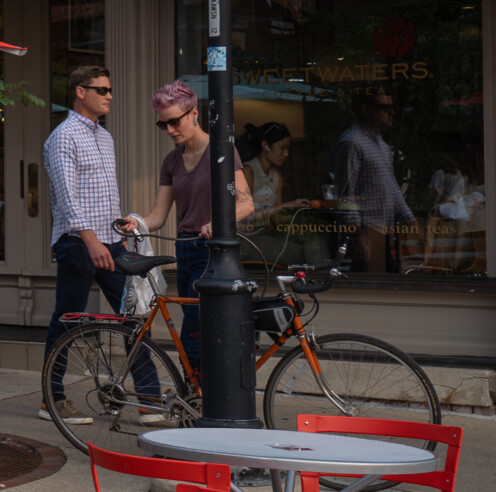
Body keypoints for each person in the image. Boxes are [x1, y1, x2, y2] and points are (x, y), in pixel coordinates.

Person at [40, 66, 162, 425]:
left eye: (110, 89)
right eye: (102, 89)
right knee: (66, 322)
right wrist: (91, 240)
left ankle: (150, 399)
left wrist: (119, 225)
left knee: (135, 317)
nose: (109, 95)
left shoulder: (104, 137)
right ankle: (52, 399)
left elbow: (103, 195)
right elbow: (67, 198)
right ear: (80, 92)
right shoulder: (63, 137)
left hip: (112, 241)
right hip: (78, 244)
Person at [121, 79, 254, 377]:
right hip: (185, 250)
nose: (169, 130)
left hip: (213, 253)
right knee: (197, 331)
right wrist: (135, 223)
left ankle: (199, 400)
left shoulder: (221, 152)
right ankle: (197, 398)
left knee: (194, 334)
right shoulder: (171, 161)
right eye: (163, 125)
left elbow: (246, 204)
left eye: (174, 121)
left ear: (194, 113)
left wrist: (217, 224)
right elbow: (158, 214)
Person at [331, 92, 422, 272]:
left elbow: (392, 188)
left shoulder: (381, 145)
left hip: (383, 232)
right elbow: (346, 193)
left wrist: (413, 224)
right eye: (385, 108)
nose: (392, 113)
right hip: (366, 234)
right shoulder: (352, 142)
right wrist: (357, 235)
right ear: (366, 110)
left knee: (388, 280)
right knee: (368, 286)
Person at [239, 122, 311, 267]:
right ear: (265, 146)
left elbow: (277, 218)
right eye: (282, 148)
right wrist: (288, 205)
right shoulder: (248, 171)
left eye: (288, 149)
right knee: (297, 253)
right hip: (246, 238)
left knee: (312, 238)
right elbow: (244, 216)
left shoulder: (276, 175)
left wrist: (300, 217)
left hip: (268, 234)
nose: (286, 154)